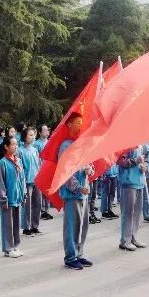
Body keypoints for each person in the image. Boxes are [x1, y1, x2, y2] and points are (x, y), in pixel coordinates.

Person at [58, 113, 94, 270]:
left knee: (83, 225)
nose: (80, 125)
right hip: (73, 193)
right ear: (69, 125)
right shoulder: (66, 146)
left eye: (82, 122)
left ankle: (79, 253)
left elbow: (90, 165)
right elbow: (65, 172)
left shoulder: (82, 144)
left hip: (83, 193)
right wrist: (78, 187)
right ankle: (70, 257)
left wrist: (89, 169)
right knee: (72, 226)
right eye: (77, 122)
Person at [0, 135, 26, 258]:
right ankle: (8, 248)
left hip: (18, 196)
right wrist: (3, 198)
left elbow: (22, 179)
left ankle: (16, 245)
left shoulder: (18, 161)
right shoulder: (2, 163)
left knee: (16, 222)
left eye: (16, 144)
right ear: (6, 146)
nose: (15, 146)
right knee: (7, 224)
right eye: (13, 144)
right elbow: (1, 182)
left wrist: (24, 193)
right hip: (8, 198)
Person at [117, 145, 149, 251]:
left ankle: (133, 237)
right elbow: (120, 161)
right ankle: (125, 240)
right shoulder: (126, 143)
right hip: (129, 183)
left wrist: (145, 165)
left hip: (140, 182)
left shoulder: (141, 144)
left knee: (137, 212)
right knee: (128, 212)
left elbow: (146, 158)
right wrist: (136, 160)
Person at [19, 128, 42, 236]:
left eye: (33, 135)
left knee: (37, 204)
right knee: (27, 206)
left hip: (37, 180)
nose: (33, 137)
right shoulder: (20, 151)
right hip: (27, 182)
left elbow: (39, 164)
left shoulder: (35, 150)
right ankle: (26, 227)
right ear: (24, 136)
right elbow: (20, 168)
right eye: (30, 135)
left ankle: (34, 226)